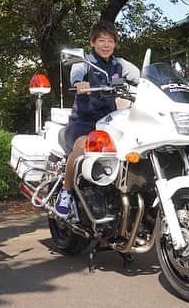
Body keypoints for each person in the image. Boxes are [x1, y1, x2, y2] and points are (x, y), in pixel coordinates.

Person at [54, 21, 139, 219]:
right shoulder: (85, 61)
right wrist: (79, 83)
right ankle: (65, 193)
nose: (106, 45)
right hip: (83, 122)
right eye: (101, 40)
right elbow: (76, 73)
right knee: (82, 145)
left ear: (115, 44)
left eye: (110, 41)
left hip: (110, 123)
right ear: (93, 42)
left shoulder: (120, 64)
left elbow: (140, 76)